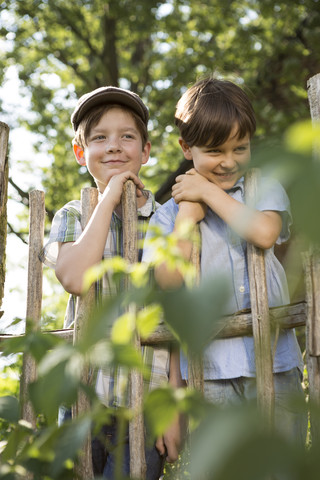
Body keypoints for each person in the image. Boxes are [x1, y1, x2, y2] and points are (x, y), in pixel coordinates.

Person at [143, 76, 307, 446]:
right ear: (187, 147)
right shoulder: (169, 215)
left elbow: (264, 233)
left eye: (241, 148)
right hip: (209, 370)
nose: (229, 162)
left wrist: (206, 192)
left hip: (275, 357)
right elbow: (167, 283)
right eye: (215, 151)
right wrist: (188, 216)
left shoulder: (262, 186)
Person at [40, 86, 180, 478]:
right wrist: (109, 197)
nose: (114, 147)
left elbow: (176, 318)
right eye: (99, 138)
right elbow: (74, 277)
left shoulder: (167, 220)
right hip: (85, 399)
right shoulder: (72, 215)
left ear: (146, 151)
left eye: (127, 137)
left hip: (147, 402)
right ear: (80, 153)